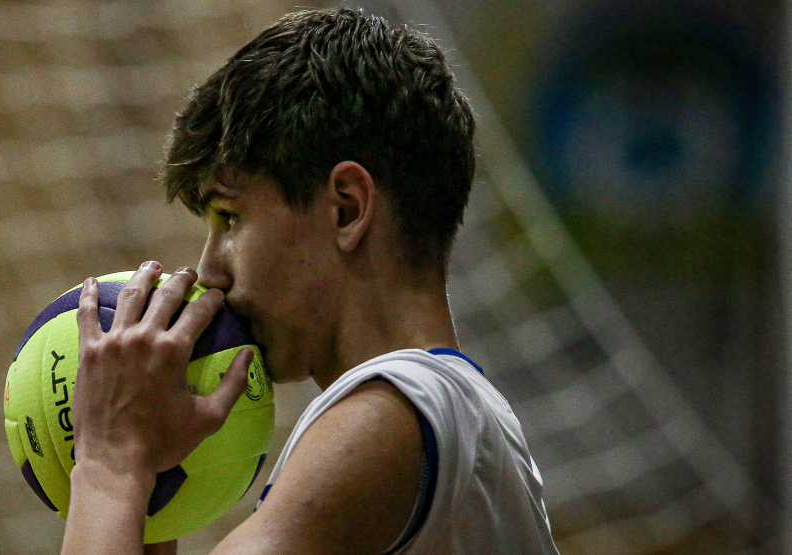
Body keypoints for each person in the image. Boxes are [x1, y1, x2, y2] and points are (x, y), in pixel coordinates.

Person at [62, 8, 559, 554]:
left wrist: (110, 463)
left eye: (229, 218)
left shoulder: (390, 414)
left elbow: (110, 470)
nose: (209, 272)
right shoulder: (447, 411)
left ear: (346, 209)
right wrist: (155, 489)